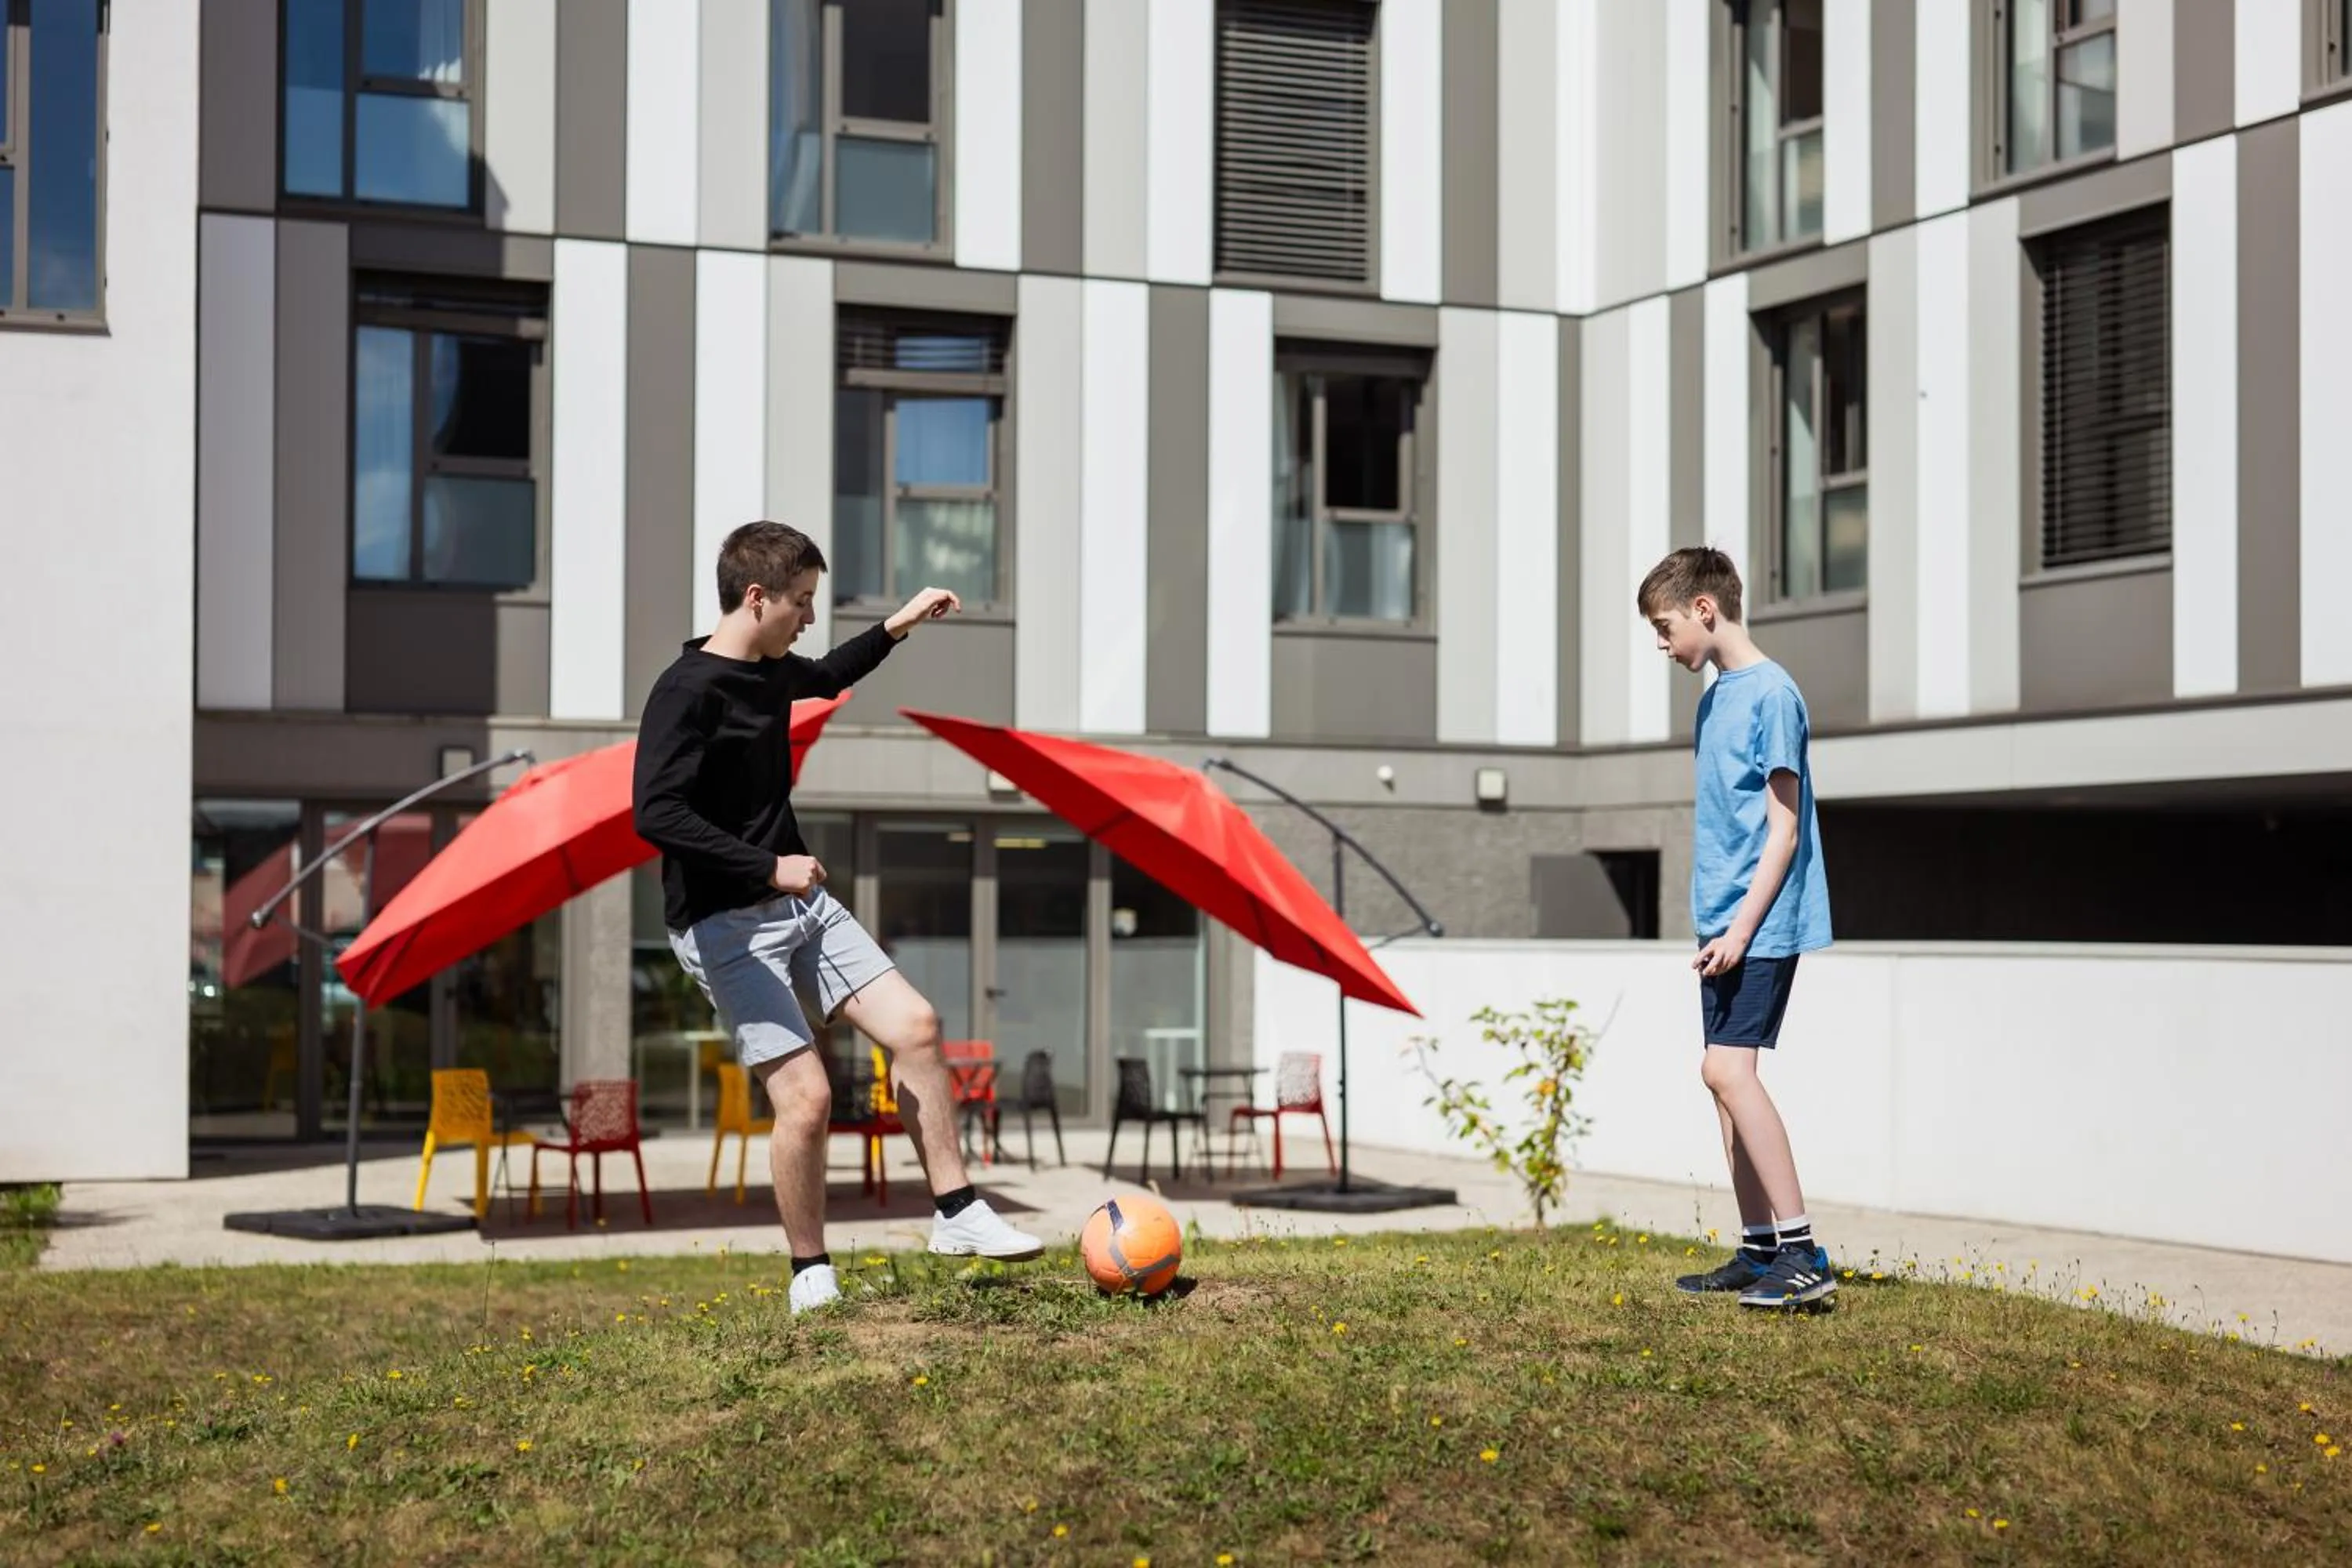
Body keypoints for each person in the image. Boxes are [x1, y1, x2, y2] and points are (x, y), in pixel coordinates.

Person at [633, 521, 1042, 1313]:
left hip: (801, 904)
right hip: (722, 924)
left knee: (918, 1027)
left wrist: (900, 622)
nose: (808, 617)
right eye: (802, 601)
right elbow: (656, 812)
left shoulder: (771, 669)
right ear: (757, 596)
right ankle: (809, 1268)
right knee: (808, 1097)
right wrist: (766, 864)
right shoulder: (687, 692)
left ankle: (957, 1212)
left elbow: (824, 675)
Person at [1636, 546, 1836, 1311]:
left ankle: (1802, 1250)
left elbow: (1783, 831)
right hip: (1721, 925)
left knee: (1729, 1072)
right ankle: (1760, 1250)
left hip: (1760, 924)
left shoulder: (1773, 694)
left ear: (1704, 610)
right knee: (1718, 1079)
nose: (1663, 643)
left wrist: (1744, 930)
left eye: (1664, 627)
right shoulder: (1715, 698)